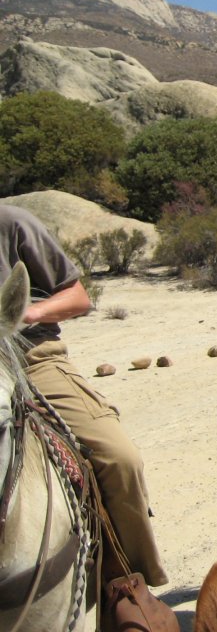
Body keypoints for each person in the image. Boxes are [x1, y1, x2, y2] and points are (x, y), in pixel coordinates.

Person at [0, 205, 170, 589]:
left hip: (31, 361)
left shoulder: (13, 225)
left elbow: (76, 297)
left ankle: (132, 581)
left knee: (120, 458)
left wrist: (28, 313)